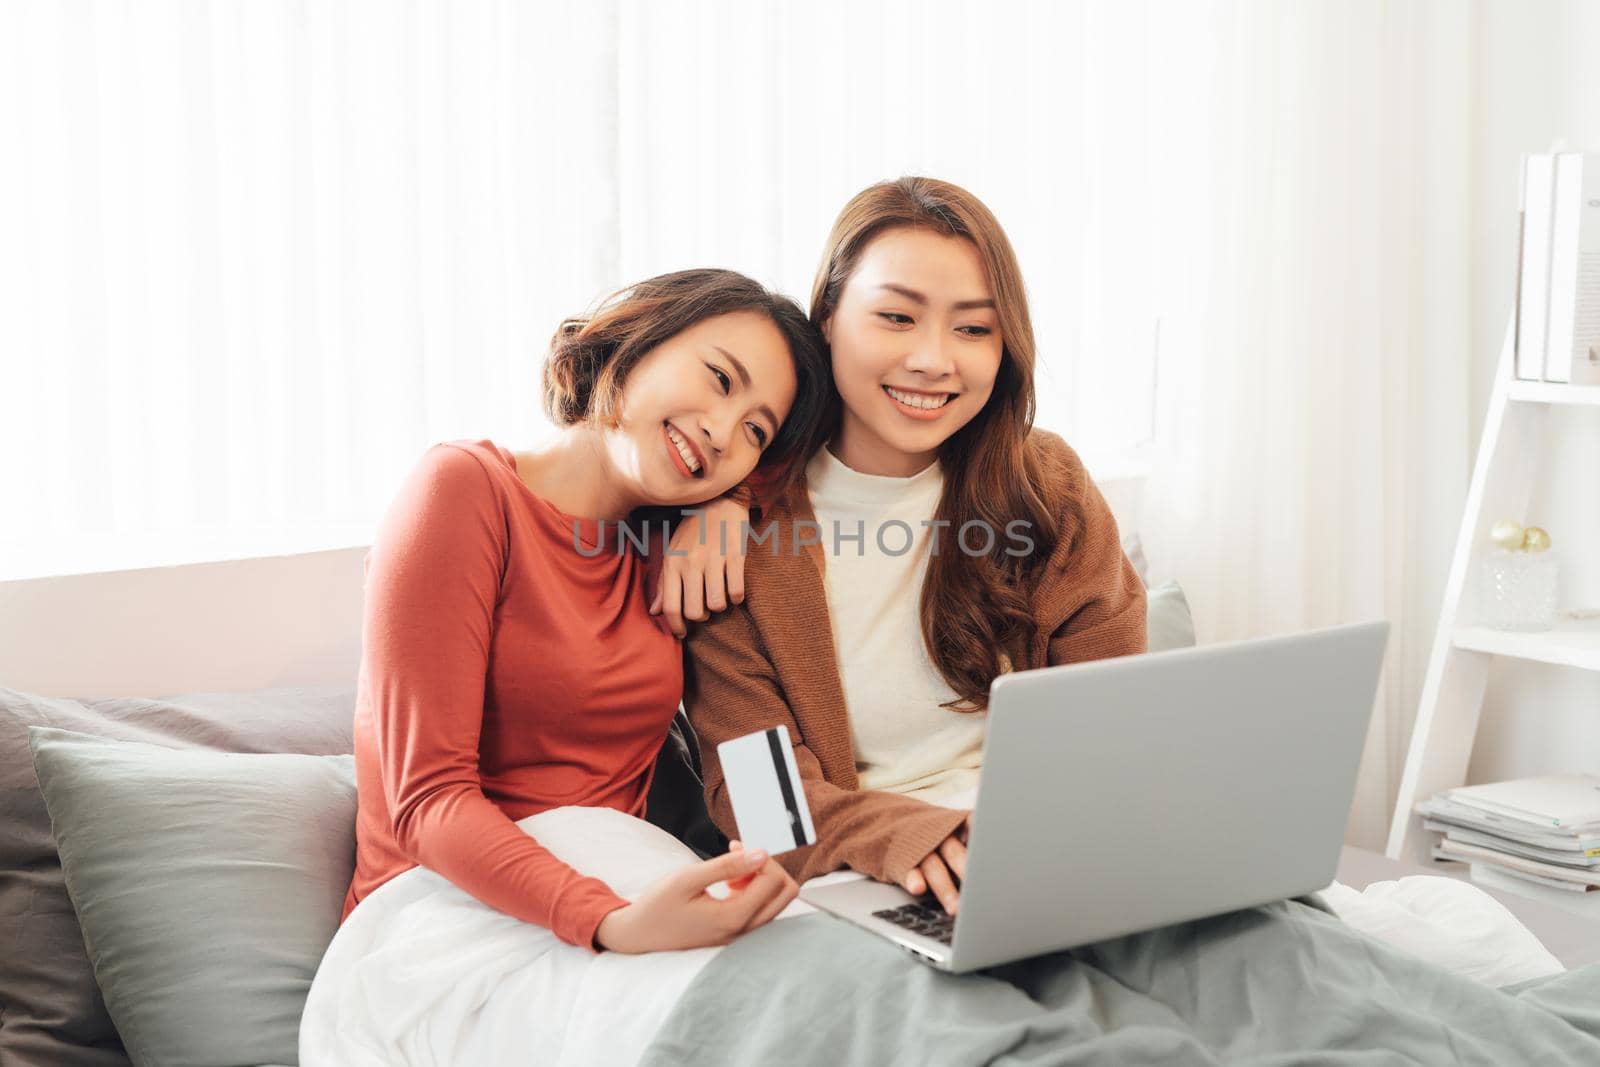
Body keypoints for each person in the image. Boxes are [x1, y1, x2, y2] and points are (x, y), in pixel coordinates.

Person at [677, 178, 1148, 917]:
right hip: (867, 872)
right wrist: (907, 836)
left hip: (1049, 856)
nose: (934, 360)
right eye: (896, 316)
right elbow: (762, 803)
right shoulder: (729, 534)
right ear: (828, 316)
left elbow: (1118, 724)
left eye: (972, 329)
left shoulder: (1046, 489)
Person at [342, 268, 831, 952]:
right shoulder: (460, 491)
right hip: (442, 920)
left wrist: (734, 503)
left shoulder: (679, 545)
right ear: (638, 338)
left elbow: (745, 728)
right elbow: (427, 802)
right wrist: (611, 922)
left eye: (755, 430)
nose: (723, 432)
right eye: (720, 379)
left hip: (623, 889)